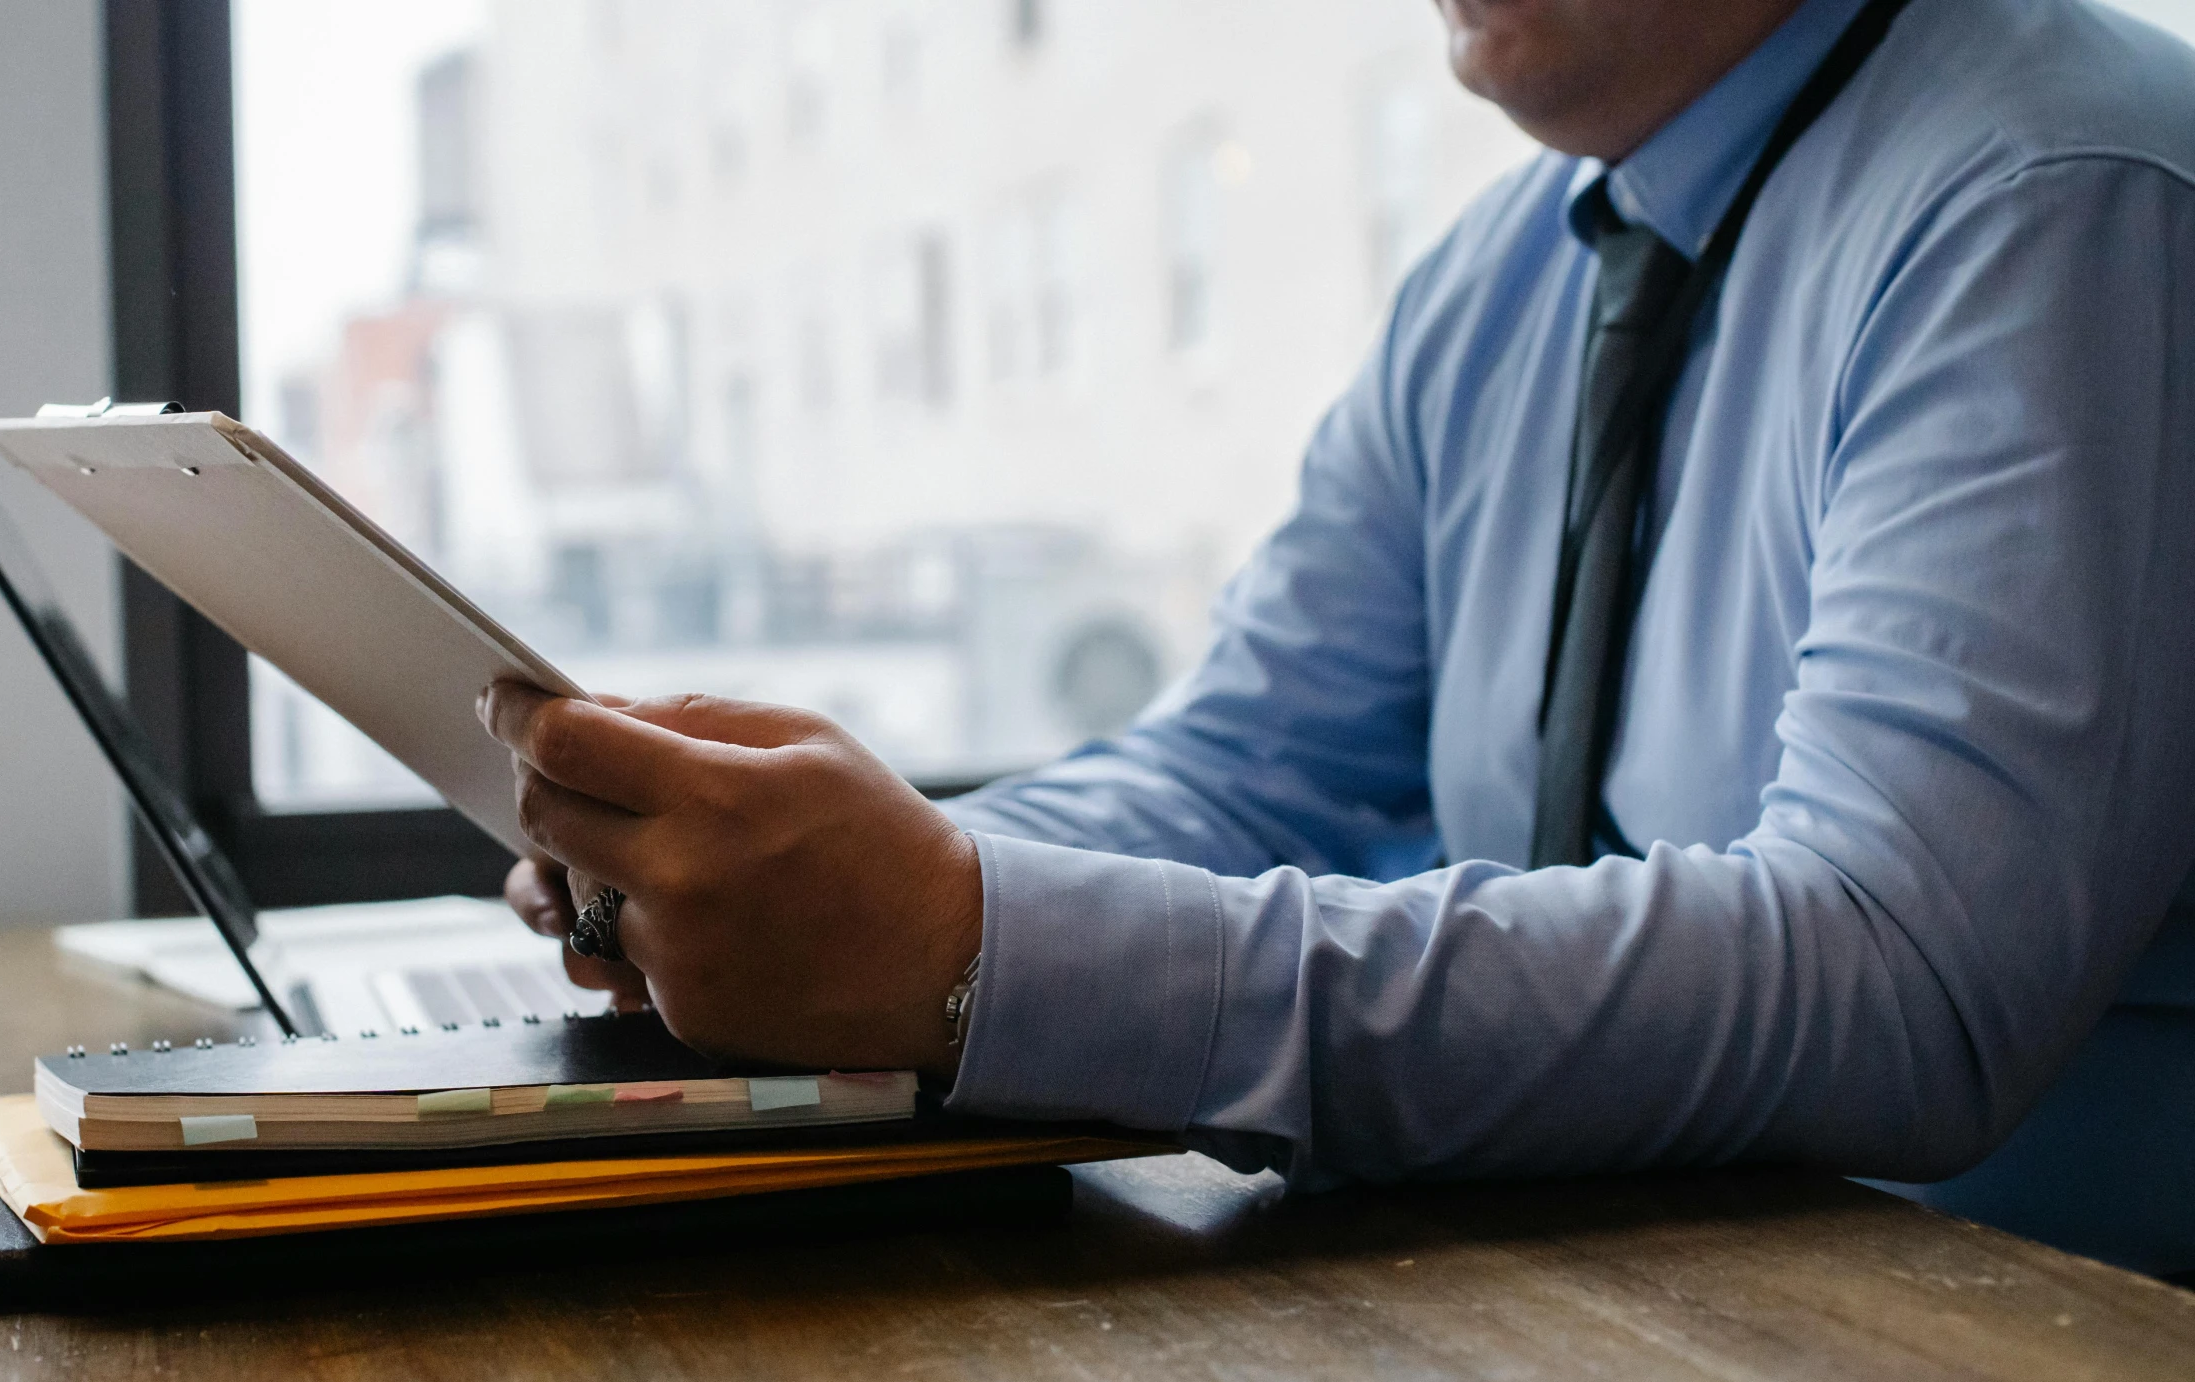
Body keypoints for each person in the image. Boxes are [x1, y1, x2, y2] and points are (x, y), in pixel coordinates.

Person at [483, 0, 2195, 1273]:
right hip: (1609, 1304)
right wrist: (778, 880)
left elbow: (1902, 986)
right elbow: (1243, 767)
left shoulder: (2059, 191)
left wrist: (976, 944)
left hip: (2020, 1349)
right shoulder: (1501, 276)